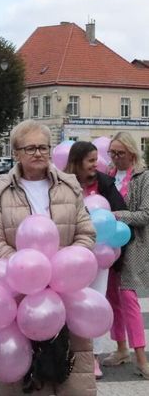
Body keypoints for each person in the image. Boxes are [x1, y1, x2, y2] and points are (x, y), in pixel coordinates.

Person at [0, 120, 96, 395]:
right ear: (16, 153)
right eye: (30, 147)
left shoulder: (69, 186)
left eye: (43, 147)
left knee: (72, 377)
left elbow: (86, 232)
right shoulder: (0, 190)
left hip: (66, 293)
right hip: (19, 299)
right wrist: (28, 272)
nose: (38, 153)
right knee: (25, 380)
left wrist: (67, 265)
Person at [64, 141, 127, 379]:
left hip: (100, 255)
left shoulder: (105, 183)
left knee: (97, 303)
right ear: (77, 161)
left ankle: (94, 358)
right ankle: (71, 354)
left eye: (96, 159)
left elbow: (121, 212)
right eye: (90, 160)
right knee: (71, 305)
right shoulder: (62, 183)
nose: (96, 164)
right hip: (71, 255)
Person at [102, 131, 149, 379]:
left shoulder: (143, 177)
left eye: (120, 153)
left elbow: (145, 214)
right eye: (112, 153)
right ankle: (120, 348)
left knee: (128, 298)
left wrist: (115, 216)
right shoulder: (107, 175)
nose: (115, 157)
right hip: (108, 246)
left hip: (133, 245)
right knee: (112, 297)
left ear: (132, 153)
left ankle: (141, 357)